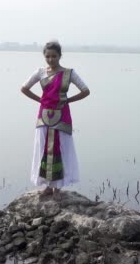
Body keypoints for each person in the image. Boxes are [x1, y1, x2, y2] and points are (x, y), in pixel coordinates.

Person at [20, 41, 90, 198]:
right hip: (44, 116)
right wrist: (40, 100)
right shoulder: (40, 72)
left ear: (60, 56)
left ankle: (57, 187)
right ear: (44, 57)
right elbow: (24, 88)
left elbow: (86, 91)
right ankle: (46, 185)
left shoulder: (69, 73)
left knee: (61, 149)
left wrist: (68, 100)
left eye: (54, 56)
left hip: (62, 116)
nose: (51, 59)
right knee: (43, 149)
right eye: (48, 56)